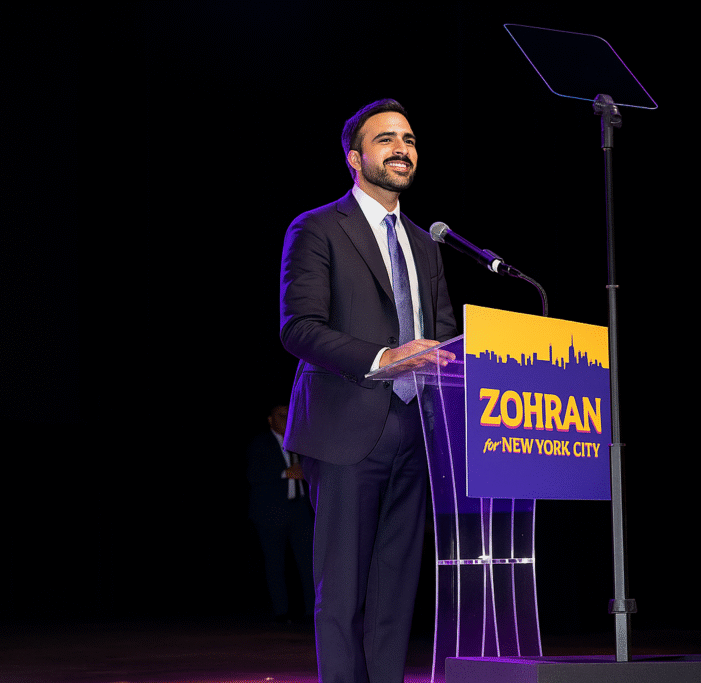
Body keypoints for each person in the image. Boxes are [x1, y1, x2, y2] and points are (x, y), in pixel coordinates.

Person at [279, 98, 457, 683]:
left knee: (395, 597)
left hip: (416, 433)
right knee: (343, 594)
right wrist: (382, 357)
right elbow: (299, 328)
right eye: (386, 140)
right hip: (347, 428)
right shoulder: (319, 227)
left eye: (408, 139)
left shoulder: (427, 244)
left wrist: (466, 358)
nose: (402, 149)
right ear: (355, 158)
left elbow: (444, 333)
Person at [246, 404, 314, 623]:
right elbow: (253, 474)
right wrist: (285, 473)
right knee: (275, 562)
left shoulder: (300, 443)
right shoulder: (260, 443)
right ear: (270, 420)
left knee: (307, 562)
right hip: (270, 512)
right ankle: (282, 612)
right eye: (281, 415)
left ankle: (313, 612)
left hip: (299, 510)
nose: (287, 419)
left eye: (290, 414)